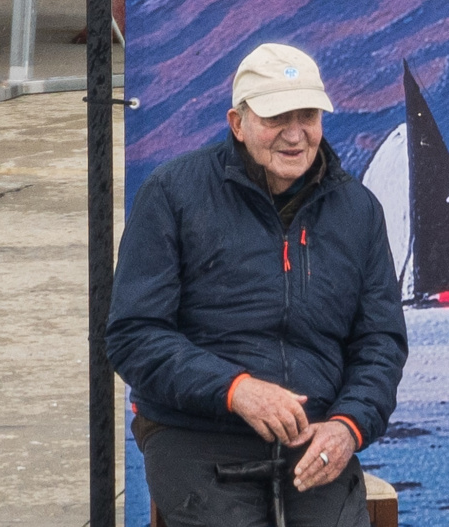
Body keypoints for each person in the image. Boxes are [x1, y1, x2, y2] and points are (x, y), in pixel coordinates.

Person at [106, 43, 408, 526]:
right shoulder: (171, 193)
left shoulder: (358, 210)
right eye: (275, 117)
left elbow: (381, 342)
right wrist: (236, 389)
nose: (295, 134)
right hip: (196, 429)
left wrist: (349, 425)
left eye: (307, 115)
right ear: (237, 123)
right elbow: (133, 334)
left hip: (313, 434)